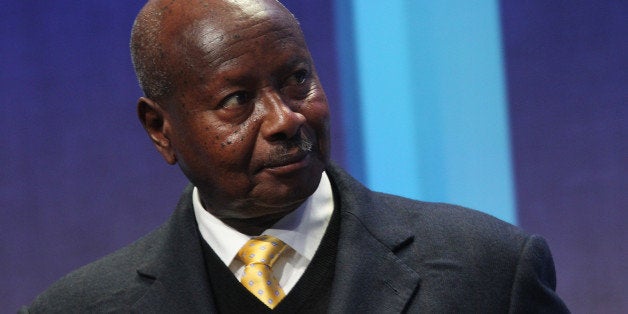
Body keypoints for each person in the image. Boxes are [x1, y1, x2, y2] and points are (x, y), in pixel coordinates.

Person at [21, 0, 569, 312]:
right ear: (160, 129)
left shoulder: (490, 272)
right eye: (236, 101)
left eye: (297, 80)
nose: (287, 119)